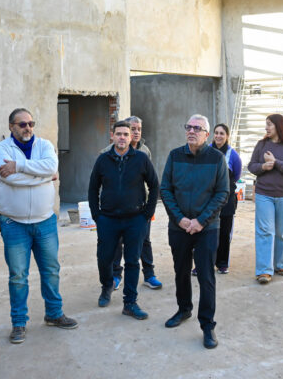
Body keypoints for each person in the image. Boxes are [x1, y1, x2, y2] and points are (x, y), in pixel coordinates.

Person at [0, 108, 78, 344]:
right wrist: (42, 176)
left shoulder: (45, 145)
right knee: (18, 276)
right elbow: (9, 179)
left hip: (45, 221)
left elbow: (51, 168)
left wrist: (19, 166)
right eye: (22, 124)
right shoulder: (0, 150)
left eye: (31, 123)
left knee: (51, 270)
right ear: (11, 127)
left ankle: (54, 314)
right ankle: (19, 323)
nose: (28, 128)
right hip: (13, 223)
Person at [160, 114, 229, 349]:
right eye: (188, 126)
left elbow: (222, 193)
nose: (192, 131)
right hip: (179, 227)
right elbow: (165, 189)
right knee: (180, 271)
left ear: (207, 134)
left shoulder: (217, 159)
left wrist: (200, 221)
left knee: (206, 276)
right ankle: (184, 309)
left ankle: (208, 325)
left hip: (207, 228)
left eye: (197, 128)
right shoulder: (175, 156)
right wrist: (180, 219)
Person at [88, 121, 159, 320]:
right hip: (108, 219)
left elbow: (154, 186)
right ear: (112, 136)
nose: (122, 137)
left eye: (125, 134)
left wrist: (146, 214)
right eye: (118, 134)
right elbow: (93, 188)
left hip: (135, 219)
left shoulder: (142, 159)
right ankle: (107, 286)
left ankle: (130, 302)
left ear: (130, 138)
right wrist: (97, 215)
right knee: (104, 258)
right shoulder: (103, 160)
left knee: (132, 262)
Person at [104, 116, 162, 291]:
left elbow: (151, 181)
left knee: (144, 240)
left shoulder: (145, 151)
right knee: (117, 242)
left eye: (139, 129)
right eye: (133, 129)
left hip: (140, 206)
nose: (136, 132)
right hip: (116, 209)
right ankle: (115, 275)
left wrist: (148, 208)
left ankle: (149, 275)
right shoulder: (107, 153)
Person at [247, 113, 283, 284]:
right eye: (266, 124)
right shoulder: (261, 144)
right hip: (264, 194)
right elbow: (251, 166)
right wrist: (263, 166)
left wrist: (276, 162)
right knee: (265, 231)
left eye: (269, 124)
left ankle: (280, 263)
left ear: (279, 126)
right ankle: (264, 270)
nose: (266, 128)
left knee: (281, 232)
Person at [212, 124, 242, 274]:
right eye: (216, 133)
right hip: (208, 200)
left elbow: (236, 175)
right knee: (206, 233)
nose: (218, 136)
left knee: (224, 232)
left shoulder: (233, 155)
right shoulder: (206, 151)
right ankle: (203, 263)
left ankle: (222, 263)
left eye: (222, 133)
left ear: (227, 136)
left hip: (226, 200)